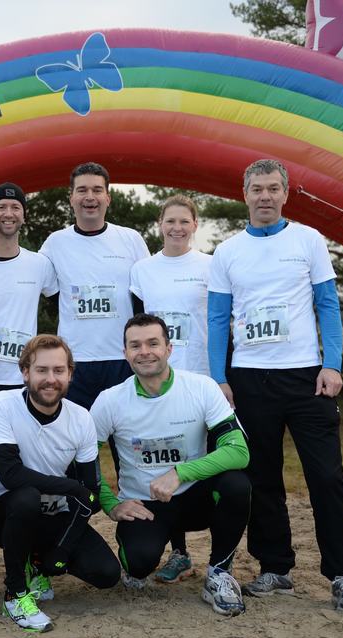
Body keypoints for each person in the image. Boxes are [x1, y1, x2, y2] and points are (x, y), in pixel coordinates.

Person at [207, 158, 343, 612]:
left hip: (306, 377)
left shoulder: (308, 240)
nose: (265, 196)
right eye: (257, 188)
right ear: (244, 194)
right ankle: (274, 566)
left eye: (273, 188)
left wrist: (332, 365)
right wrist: (219, 377)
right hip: (250, 378)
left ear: (285, 193)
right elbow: (217, 318)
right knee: (261, 478)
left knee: (327, 478)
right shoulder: (227, 252)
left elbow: (328, 305)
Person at [91, 314, 251, 616]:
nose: (144, 352)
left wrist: (180, 472)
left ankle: (219, 573)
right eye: (135, 345)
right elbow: (82, 461)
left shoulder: (202, 387)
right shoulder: (109, 401)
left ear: (169, 348)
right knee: (138, 563)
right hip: (144, 505)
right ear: (125, 352)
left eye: (153, 343)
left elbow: (238, 451)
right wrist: (111, 504)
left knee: (236, 485)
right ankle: (137, 564)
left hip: (195, 498)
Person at [0, 334, 121, 633]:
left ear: (70, 374)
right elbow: (11, 476)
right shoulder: (0, 404)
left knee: (106, 573)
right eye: (41, 370)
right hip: (2, 512)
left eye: (58, 370)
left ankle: (37, 563)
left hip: (54, 515)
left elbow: (91, 493)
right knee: (26, 497)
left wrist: (63, 550)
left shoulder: (81, 418)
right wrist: (71, 488)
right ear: (25, 372)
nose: (50, 379)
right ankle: (15, 594)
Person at [0, 182, 57, 574]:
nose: (9, 213)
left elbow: (59, 295)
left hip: (26, 381)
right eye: (2, 207)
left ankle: (33, 541)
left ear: (23, 215)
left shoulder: (39, 265)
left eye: (15, 207)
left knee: (31, 461)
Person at [128, 194, 211, 583]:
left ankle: (222, 558)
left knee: (209, 465)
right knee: (166, 461)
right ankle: (179, 552)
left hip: (202, 377)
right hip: (160, 381)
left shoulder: (211, 265)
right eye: (170, 221)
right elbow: (137, 324)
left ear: (195, 225)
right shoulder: (143, 269)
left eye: (184, 221)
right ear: (159, 224)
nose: (177, 227)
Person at [39, 162, 150, 412]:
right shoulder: (55, 243)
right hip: (74, 360)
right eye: (82, 190)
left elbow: (148, 295)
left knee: (125, 433)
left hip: (122, 358)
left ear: (108, 198)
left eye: (97, 190)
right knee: (76, 434)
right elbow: (31, 276)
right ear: (71, 198)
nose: (90, 197)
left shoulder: (131, 239)